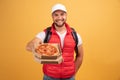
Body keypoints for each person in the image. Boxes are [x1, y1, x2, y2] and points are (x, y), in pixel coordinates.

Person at [26, 3, 83, 80]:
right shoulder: (45, 33)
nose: (59, 17)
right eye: (56, 15)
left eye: (62, 14)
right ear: (52, 17)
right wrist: (34, 43)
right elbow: (28, 46)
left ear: (66, 15)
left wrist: (73, 72)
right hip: (49, 77)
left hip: (69, 77)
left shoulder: (75, 35)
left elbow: (80, 55)